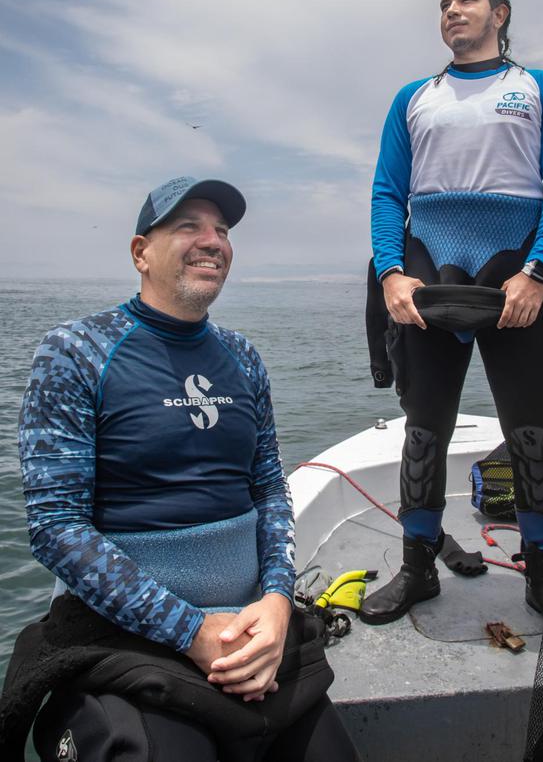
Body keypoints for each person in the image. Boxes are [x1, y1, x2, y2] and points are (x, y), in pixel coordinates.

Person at [1, 177, 359, 762]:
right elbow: (55, 525)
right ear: (141, 252)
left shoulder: (242, 357)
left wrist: (274, 601)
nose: (212, 240)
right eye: (188, 225)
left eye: (221, 230)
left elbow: (269, 489)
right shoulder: (77, 350)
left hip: (251, 628)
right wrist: (190, 631)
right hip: (131, 633)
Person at [360, 0, 543, 625]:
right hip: (431, 264)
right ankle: (419, 567)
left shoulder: (539, 88)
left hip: (515, 266)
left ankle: (539, 570)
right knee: (424, 431)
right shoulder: (414, 97)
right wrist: (392, 274)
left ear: (500, 13)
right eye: (444, 2)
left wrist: (539, 271)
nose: (451, 10)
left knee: (531, 433)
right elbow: (386, 193)